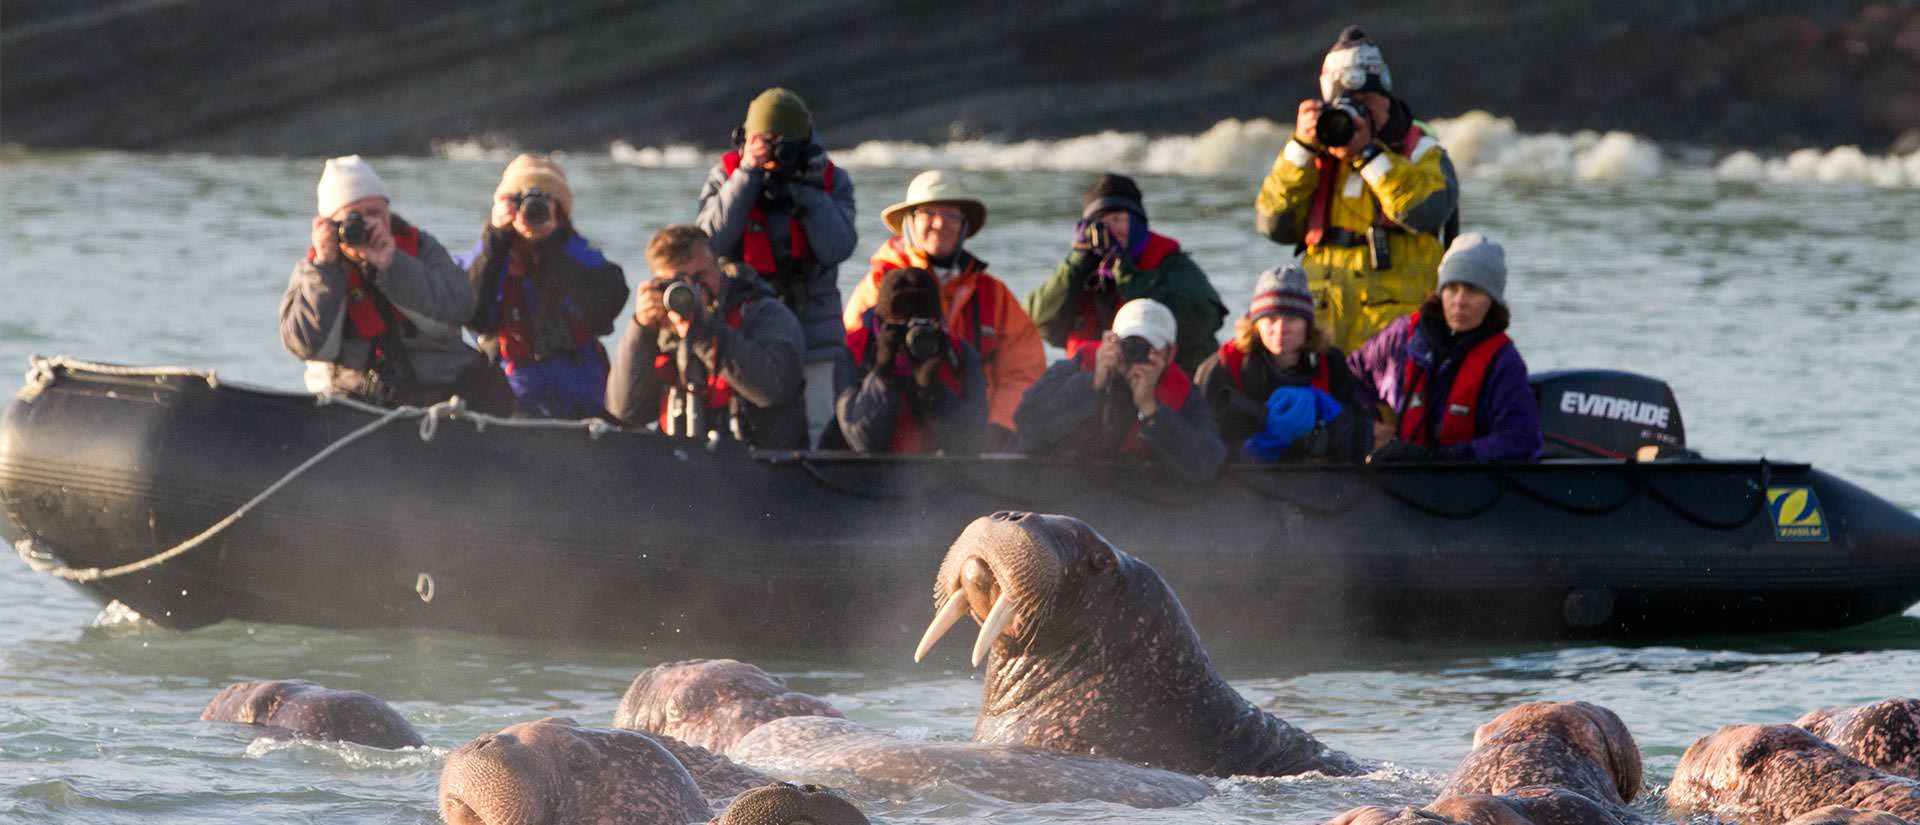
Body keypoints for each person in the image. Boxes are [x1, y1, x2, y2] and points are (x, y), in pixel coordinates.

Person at [1254, 25, 1461, 353]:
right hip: (1326, 333)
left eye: (1367, 101)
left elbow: (1424, 212)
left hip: (1395, 343)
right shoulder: (1314, 158)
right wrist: (1300, 149)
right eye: (1346, 103)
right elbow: (1273, 223)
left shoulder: (1420, 151)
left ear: (1387, 98)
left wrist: (1369, 155)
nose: (1358, 112)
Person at [280, 155, 514, 414]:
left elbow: (458, 310)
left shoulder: (421, 248)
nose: (368, 225)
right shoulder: (315, 270)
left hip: (443, 394)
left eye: (376, 213)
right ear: (329, 224)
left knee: (492, 386)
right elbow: (307, 346)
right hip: (358, 401)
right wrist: (326, 268)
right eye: (353, 218)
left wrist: (392, 265)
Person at [696, 87, 857, 447]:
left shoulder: (830, 181)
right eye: (763, 142)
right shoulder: (726, 176)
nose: (773, 154)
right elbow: (708, 242)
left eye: (783, 144)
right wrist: (747, 174)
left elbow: (838, 247)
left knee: (821, 438)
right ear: (747, 139)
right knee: (750, 436)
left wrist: (807, 189)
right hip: (748, 333)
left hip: (816, 333)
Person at [844, 170, 1045, 447]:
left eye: (952, 215)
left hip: (968, 432)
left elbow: (1023, 369)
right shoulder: (878, 286)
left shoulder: (993, 293)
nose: (940, 223)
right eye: (929, 213)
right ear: (909, 222)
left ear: (964, 226)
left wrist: (998, 426)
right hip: (887, 431)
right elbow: (850, 363)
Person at [605, 225, 808, 448]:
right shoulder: (657, 329)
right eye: (678, 283)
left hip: (757, 464)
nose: (693, 289)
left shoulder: (765, 314)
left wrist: (701, 332)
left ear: (719, 267)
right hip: (682, 467)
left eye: (700, 277)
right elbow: (625, 412)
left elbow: (771, 388)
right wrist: (640, 329)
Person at [1348, 234, 1541, 463]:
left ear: (1492, 299)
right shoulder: (1401, 338)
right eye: (1452, 288)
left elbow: (1520, 441)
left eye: (1472, 290)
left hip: (1464, 484)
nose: (1459, 301)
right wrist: (1368, 426)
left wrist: (1443, 457)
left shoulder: (1503, 361)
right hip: (1397, 480)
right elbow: (1347, 378)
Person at [463, 154, 629, 418]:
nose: (531, 213)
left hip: (582, 404)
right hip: (511, 402)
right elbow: (474, 314)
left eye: (542, 204)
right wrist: (496, 236)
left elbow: (607, 303)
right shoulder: (488, 256)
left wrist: (548, 245)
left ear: (560, 211)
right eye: (522, 203)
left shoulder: (578, 254)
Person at [1026, 173, 1227, 376]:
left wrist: (1127, 274)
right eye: (1100, 224)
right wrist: (1077, 263)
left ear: (1137, 221)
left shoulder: (1171, 264)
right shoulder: (1080, 272)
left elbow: (1201, 323)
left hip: (1164, 386)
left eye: (1117, 219)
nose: (1111, 231)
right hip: (1095, 391)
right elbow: (1041, 323)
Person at [1014, 298, 1226, 483]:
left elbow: (1206, 465)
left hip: (1135, 501)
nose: (1135, 354)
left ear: (1170, 354)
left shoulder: (1185, 395)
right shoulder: (1076, 369)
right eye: (1128, 344)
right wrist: (1092, 384)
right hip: (1064, 487)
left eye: (1148, 348)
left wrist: (1151, 410)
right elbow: (1028, 423)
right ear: (1111, 342)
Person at [1193, 265, 1371, 462]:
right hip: (1243, 481)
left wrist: (1334, 415)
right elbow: (1198, 448)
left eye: (1292, 318)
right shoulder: (1223, 366)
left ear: (1308, 324)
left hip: (1316, 480)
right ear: (1255, 324)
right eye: (1270, 319)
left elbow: (1362, 442)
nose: (1280, 330)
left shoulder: (1330, 362)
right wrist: (1254, 448)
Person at [826, 267, 988, 455]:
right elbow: (862, 441)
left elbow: (973, 443)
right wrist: (881, 373)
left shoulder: (957, 354)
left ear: (938, 323)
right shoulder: (855, 352)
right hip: (861, 476)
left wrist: (934, 391)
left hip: (937, 475)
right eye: (900, 325)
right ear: (881, 323)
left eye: (922, 325)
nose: (911, 336)